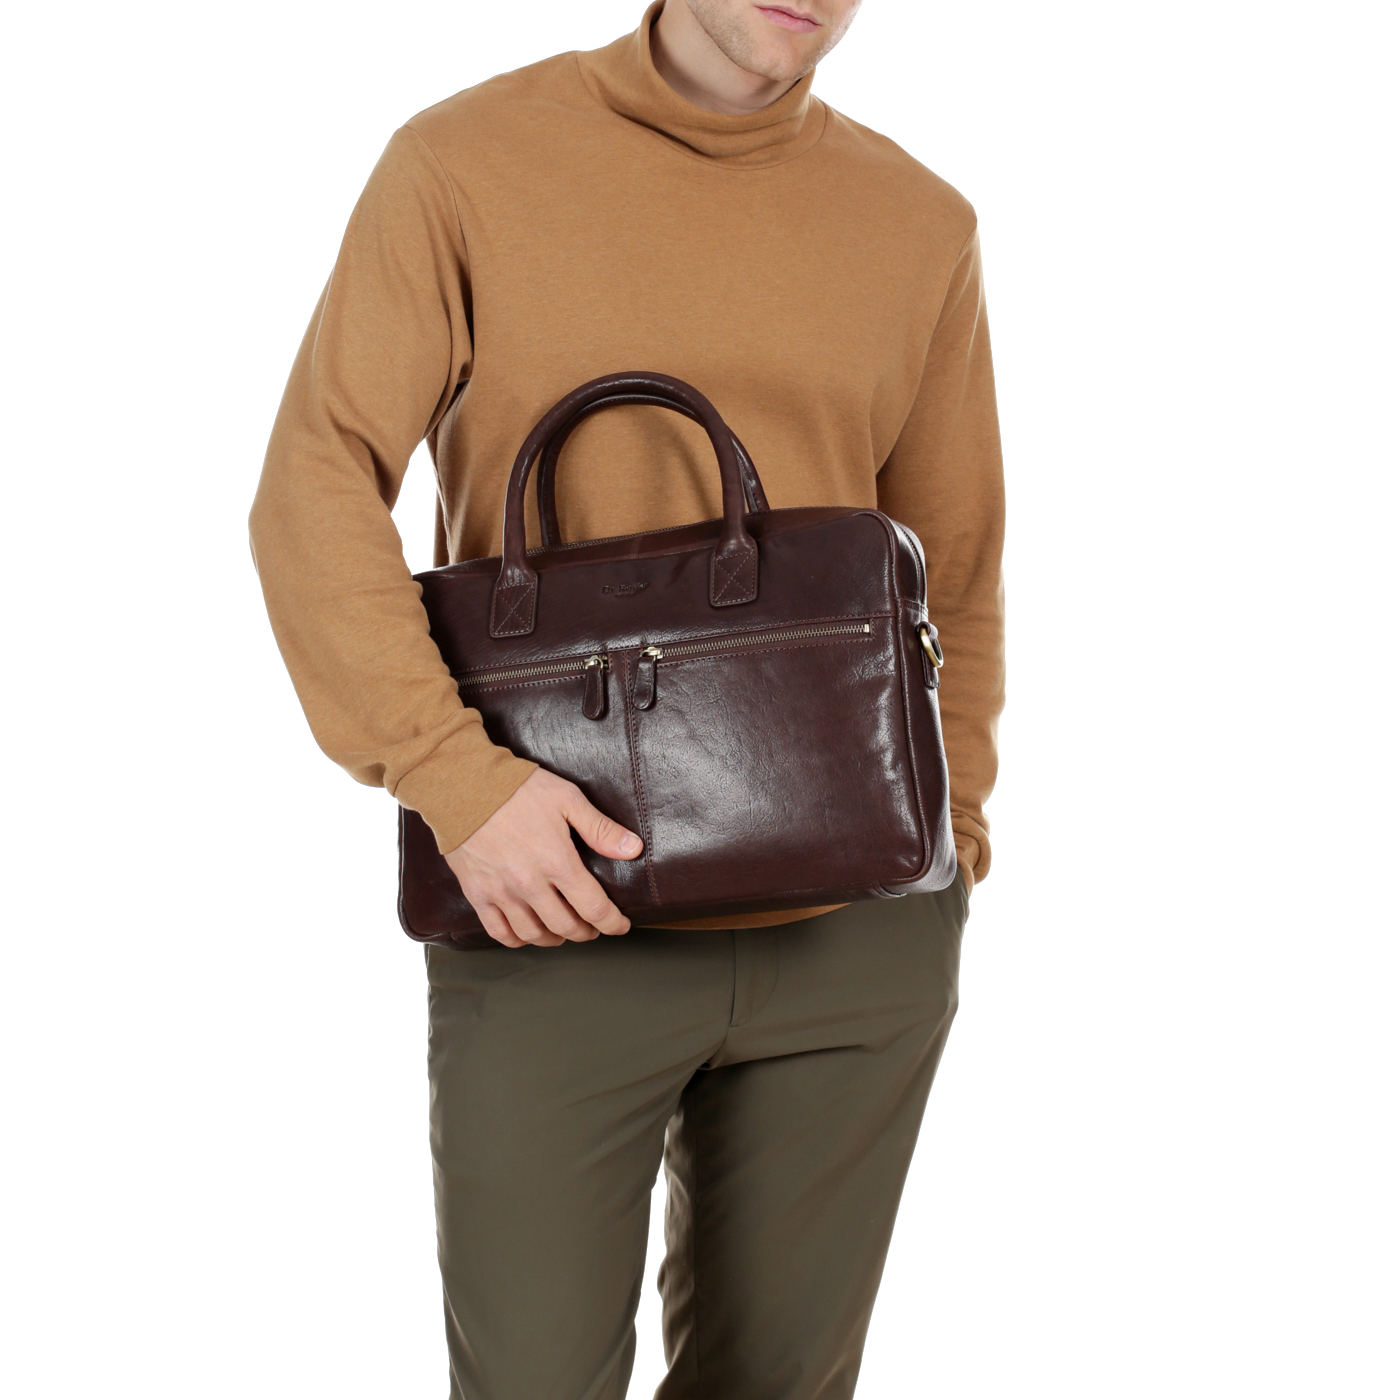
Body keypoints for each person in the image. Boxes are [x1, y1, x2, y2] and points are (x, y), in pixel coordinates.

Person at [249, 1, 1005, 1394]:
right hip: (552, 907)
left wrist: (948, 854)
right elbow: (313, 482)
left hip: (853, 940)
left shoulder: (920, 222)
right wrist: (455, 782)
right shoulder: (462, 164)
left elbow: (951, 565)